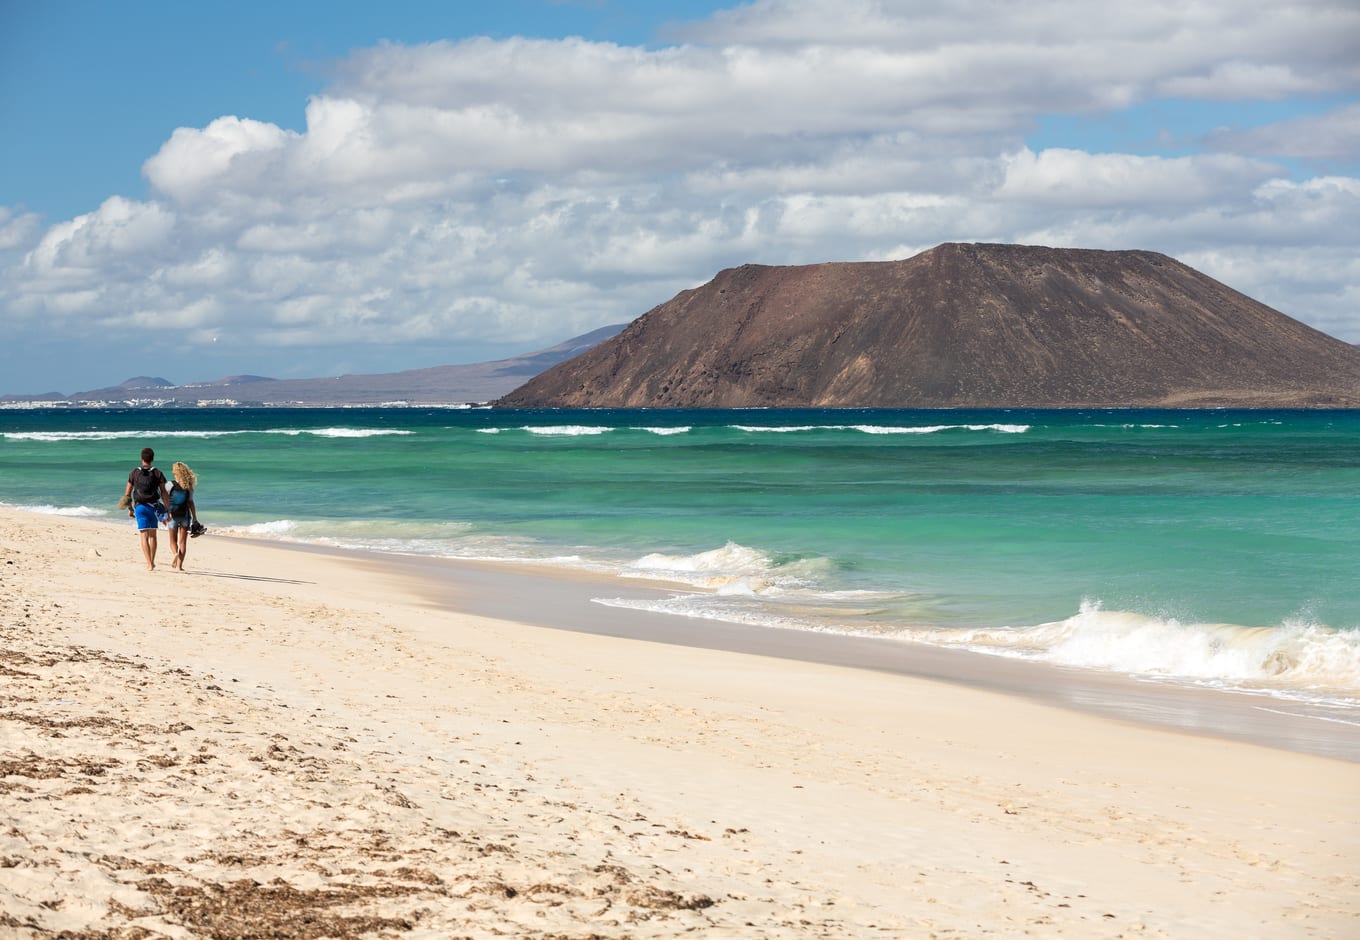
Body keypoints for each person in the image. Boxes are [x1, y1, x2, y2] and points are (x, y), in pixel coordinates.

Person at [123, 447, 171, 570]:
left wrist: (130, 509)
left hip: (139, 507)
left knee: (143, 535)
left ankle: (148, 563)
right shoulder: (157, 473)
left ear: (142, 458)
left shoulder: (134, 472)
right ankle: (152, 562)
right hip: (153, 507)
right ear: (152, 459)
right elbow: (164, 493)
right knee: (153, 535)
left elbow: (127, 493)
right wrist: (167, 509)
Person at [166, 461, 200, 571]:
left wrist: (165, 512)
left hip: (172, 515)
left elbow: (165, 499)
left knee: (172, 540)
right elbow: (191, 502)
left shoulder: (170, 484)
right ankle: (180, 566)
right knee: (183, 542)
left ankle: (175, 553)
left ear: (175, 472)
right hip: (185, 515)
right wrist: (194, 517)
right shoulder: (188, 487)